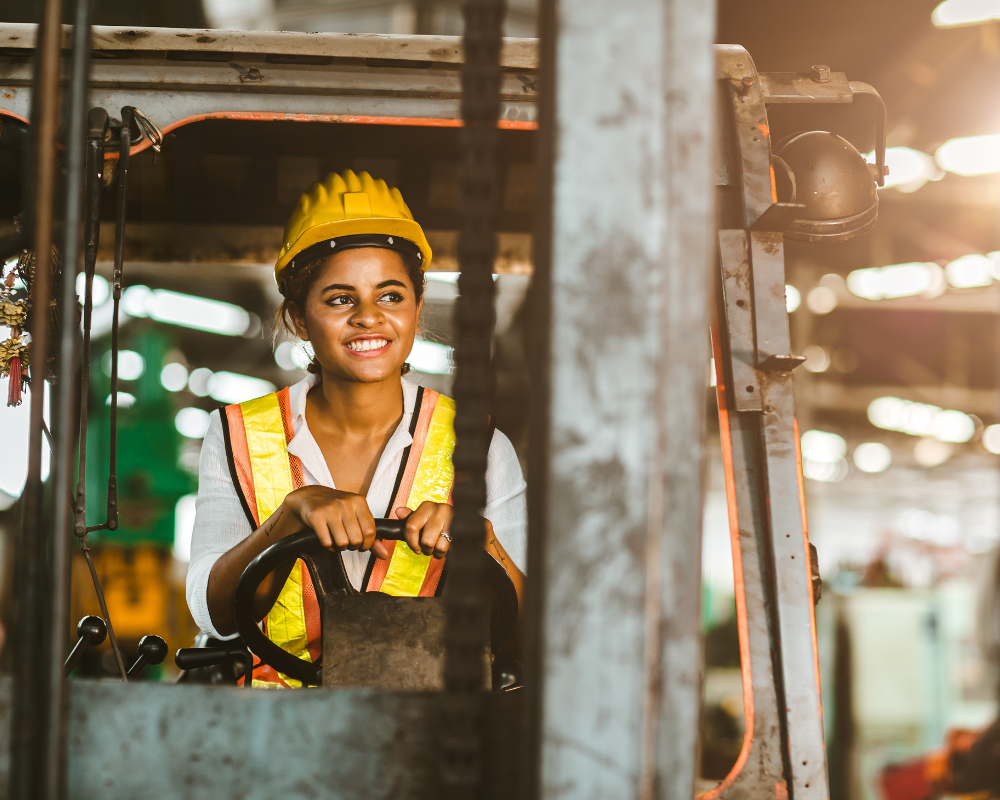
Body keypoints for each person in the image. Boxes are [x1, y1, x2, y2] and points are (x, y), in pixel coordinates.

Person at [185, 169, 527, 687]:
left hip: (427, 724)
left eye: (390, 296)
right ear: (299, 319)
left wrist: (485, 546)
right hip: (268, 724)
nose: (369, 317)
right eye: (340, 299)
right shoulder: (236, 435)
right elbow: (215, 616)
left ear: (416, 308)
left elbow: (525, 632)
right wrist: (288, 519)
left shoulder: (482, 447)